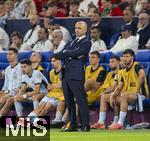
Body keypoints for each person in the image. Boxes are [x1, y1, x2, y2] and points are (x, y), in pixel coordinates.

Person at [54, 21, 92, 132]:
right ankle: (73, 124)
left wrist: (68, 53)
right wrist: (70, 53)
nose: (77, 30)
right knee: (68, 101)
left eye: (79, 28)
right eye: (76, 28)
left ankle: (85, 125)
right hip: (66, 74)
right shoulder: (71, 42)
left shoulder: (86, 42)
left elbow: (79, 52)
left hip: (76, 74)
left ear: (85, 30)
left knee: (81, 100)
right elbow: (59, 54)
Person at [109, 49, 149, 129]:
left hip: (140, 95)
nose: (125, 58)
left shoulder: (137, 65)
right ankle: (118, 121)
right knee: (116, 97)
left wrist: (137, 89)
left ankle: (120, 123)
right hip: (128, 95)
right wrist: (113, 96)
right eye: (123, 56)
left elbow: (142, 75)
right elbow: (120, 86)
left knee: (124, 95)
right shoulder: (123, 71)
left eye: (127, 56)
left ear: (132, 57)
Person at [25, 55, 66, 127]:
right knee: (39, 108)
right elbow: (49, 86)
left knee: (45, 109)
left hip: (60, 95)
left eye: (54, 61)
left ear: (60, 61)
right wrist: (53, 86)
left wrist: (54, 86)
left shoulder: (65, 71)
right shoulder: (51, 72)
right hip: (51, 94)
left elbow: (63, 85)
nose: (52, 63)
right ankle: (26, 122)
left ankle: (31, 123)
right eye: (51, 61)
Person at [90, 55, 121, 129]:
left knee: (112, 96)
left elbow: (113, 87)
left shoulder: (120, 73)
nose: (110, 64)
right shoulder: (109, 74)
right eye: (109, 62)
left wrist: (104, 93)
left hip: (116, 93)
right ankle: (101, 122)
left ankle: (114, 121)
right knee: (105, 96)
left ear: (118, 62)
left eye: (113, 62)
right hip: (106, 93)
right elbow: (105, 86)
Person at [0, 48, 22, 116]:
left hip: (17, 91)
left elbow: (24, 82)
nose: (8, 56)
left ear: (16, 55)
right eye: (7, 54)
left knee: (4, 99)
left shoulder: (21, 67)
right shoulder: (7, 69)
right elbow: (6, 85)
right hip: (8, 92)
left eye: (10, 54)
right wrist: (2, 91)